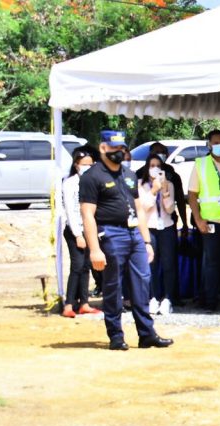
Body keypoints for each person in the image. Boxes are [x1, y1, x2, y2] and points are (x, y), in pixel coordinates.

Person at [79, 130, 172, 351]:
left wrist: (147, 241)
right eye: (114, 148)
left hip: (134, 234)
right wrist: (95, 250)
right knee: (113, 287)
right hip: (110, 234)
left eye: (121, 148)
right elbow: (87, 215)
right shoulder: (92, 177)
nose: (118, 152)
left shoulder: (129, 175)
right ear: (103, 148)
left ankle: (147, 334)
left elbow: (139, 209)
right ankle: (116, 336)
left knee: (142, 284)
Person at [188, 129, 220, 311]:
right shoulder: (200, 164)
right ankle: (210, 301)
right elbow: (192, 195)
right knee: (211, 263)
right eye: (215, 143)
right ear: (209, 145)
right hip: (210, 222)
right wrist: (198, 219)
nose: (219, 146)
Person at [59, 148, 101, 318]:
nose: (87, 167)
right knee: (76, 266)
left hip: (89, 229)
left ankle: (84, 302)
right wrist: (78, 234)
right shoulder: (70, 183)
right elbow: (69, 209)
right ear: (76, 165)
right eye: (84, 165)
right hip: (75, 230)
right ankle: (69, 303)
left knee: (86, 267)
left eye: (90, 165)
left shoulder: (92, 182)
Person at [138, 156, 178, 316]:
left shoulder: (169, 184)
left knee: (169, 264)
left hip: (166, 227)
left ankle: (168, 298)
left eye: (158, 166)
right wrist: (154, 190)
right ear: (147, 167)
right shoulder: (141, 185)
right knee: (151, 264)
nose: (155, 168)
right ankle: (152, 297)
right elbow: (144, 207)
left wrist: (165, 191)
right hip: (149, 227)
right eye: (152, 165)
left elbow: (170, 210)